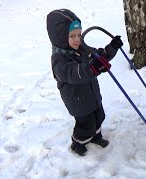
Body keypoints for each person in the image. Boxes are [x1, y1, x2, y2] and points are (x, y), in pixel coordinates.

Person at [46, 9, 123, 156]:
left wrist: (112, 48)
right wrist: (93, 68)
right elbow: (74, 73)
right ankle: (78, 143)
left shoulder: (81, 49)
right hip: (78, 101)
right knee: (85, 125)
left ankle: (96, 136)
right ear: (60, 37)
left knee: (99, 116)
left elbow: (98, 56)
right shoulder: (59, 61)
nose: (77, 39)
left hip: (92, 95)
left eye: (79, 35)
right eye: (72, 36)